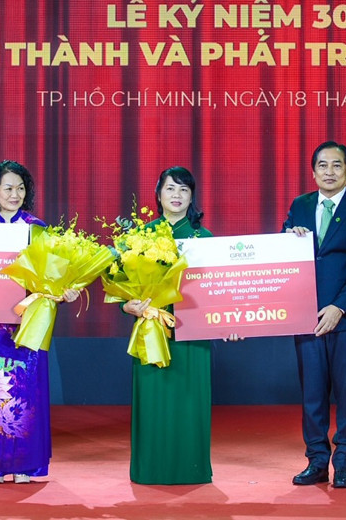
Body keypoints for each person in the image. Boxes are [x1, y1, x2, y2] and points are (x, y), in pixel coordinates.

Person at [0, 160, 79, 484]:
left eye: (20, 188)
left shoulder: (37, 228)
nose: (15, 194)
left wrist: (65, 290)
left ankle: (24, 465)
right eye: (8, 188)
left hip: (30, 321)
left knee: (26, 390)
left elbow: (53, 275)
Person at [283, 141, 346, 489]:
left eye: (337, 165)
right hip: (306, 315)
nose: (329, 171)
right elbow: (283, 253)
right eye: (322, 165)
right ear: (313, 172)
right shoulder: (300, 205)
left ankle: (344, 463)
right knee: (312, 393)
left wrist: (339, 307)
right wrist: (288, 236)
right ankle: (316, 461)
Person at [121, 166, 217, 485]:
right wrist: (127, 305)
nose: (177, 195)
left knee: (190, 400)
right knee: (154, 401)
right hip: (152, 329)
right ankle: (151, 469)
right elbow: (123, 287)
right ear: (158, 194)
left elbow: (219, 292)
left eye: (184, 190)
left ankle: (192, 469)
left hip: (193, 333)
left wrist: (229, 321)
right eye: (170, 188)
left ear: (192, 197)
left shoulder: (204, 239)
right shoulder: (140, 237)